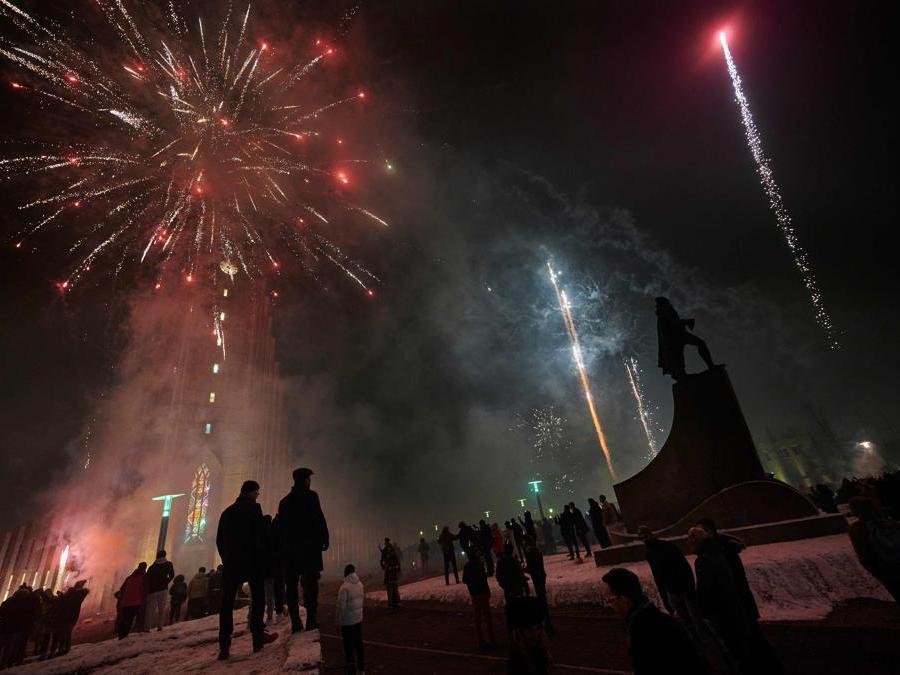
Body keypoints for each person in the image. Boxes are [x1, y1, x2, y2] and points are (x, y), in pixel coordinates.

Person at [602, 567, 707, 675]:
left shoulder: (643, 631)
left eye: (610, 600)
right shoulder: (645, 620)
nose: (610, 606)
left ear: (623, 599)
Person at [216, 479, 277, 659]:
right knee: (258, 599)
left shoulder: (227, 512)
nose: (258, 496)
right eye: (257, 492)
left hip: (231, 565)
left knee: (226, 605)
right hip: (252, 563)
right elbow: (261, 537)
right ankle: (258, 637)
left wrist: (226, 559)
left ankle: (224, 646)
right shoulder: (254, 509)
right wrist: (263, 559)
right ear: (251, 492)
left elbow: (220, 540)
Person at [688, 526, 748, 669]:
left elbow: (706, 588)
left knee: (730, 647)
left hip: (720, 611)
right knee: (738, 646)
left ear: (695, 540)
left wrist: (704, 610)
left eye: (690, 538)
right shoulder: (717, 552)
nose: (688, 542)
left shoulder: (703, 559)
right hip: (730, 606)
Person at [278, 467, 329, 632]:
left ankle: (296, 623)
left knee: (291, 587)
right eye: (308, 478)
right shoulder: (311, 496)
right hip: (309, 549)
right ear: (305, 480)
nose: (310, 481)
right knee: (311, 586)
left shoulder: (284, 502)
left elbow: (281, 528)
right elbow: (319, 519)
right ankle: (311, 620)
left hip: (290, 551)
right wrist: (324, 539)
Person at [847, 496, 900, 604]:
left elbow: (864, 556)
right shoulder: (891, 523)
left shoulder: (857, 529)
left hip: (885, 569)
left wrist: (875, 571)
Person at [655, 296, 716, 380]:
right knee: (699, 344)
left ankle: (682, 376)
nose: (670, 303)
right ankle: (710, 366)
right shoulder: (665, 310)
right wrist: (686, 322)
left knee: (679, 358)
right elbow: (674, 324)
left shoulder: (662, 313)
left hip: (675, 337)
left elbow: (672, 324)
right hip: (676, 336)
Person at [506, 588, 549, 674]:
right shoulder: (517, 663)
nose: (535, 634)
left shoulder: (537, 651)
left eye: (538, 628)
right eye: (529, 630)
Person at [462, 547, 496, 648]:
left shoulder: (467, 566)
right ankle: (492, 639)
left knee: (478, 618)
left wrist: (471, 585)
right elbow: (484, 579)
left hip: (474, 594)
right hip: (482, 592)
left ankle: (480, 640)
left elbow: (465, 580)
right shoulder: (479, 565)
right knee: (487, 617)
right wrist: (487, 591)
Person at [0, 585, 39, 668]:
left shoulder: (9, 601)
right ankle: (6, 663)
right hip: (16, 629)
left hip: (5, 627)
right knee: (10, 647)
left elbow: (2, 611)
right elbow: (28, 617)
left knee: (5, 646)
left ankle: (5, 662)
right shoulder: (25, 605)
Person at [336, 564, 365, 675]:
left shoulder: (344, 588)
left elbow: (341, 608)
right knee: (359, 645)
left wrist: (338, 622)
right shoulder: (360, 584)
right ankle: (361, 669)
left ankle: (351, 670)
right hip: (358, 620)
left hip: (348, 623)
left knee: (349, 648)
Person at [49, 580, 88, 656]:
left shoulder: (73, 596)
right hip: (72, 617)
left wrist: (61, 596)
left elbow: (65, 601)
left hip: (67, 617)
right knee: (66, 634)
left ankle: (63, 649)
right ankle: (65, 648)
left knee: (64, 634)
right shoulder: (78, 596)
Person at [523, 535, 553, 637]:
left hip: (538, 576)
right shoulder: (535, 550)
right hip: (540, 575)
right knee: (542, 598)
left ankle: (547, 624)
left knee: (542, 600)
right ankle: (547, 623)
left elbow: (533, 566)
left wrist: (524, 570)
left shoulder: (531, 552)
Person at [145, 549, 175, 631]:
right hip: (163, 589)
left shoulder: (152, 567)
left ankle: (147, 627)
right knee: (161, 608)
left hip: (152, 590)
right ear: (165, 555)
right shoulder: (168, 564)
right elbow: (172, 574)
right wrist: (166, 581)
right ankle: (160, 626)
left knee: (150, 610)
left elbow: (147, 578)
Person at [263, 514, 284, 625]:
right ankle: (277, 614)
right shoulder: (274, 534)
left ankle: (268, 616)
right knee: (276, 591)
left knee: (265, 593)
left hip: (264, 569)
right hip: (274, 568)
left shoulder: (261, 533)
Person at [117, 563, 148, 639]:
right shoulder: (144, 577)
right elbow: (145, 590)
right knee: (132, 619)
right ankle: (128, 634)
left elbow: (122, 589)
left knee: (125, 618)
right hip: (136, 601)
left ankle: (121, 635)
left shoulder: (129, 578)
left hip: (125, 601)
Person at [380, 538, 401, 609]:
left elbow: (383, 560)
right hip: (392, 571)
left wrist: (384, 566)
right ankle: (396, 603)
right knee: (394, 587)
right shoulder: (390, 549)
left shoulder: (388, 549)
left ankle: (392, 604)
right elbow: (396, 559)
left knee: (391, 588)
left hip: (390, 571)